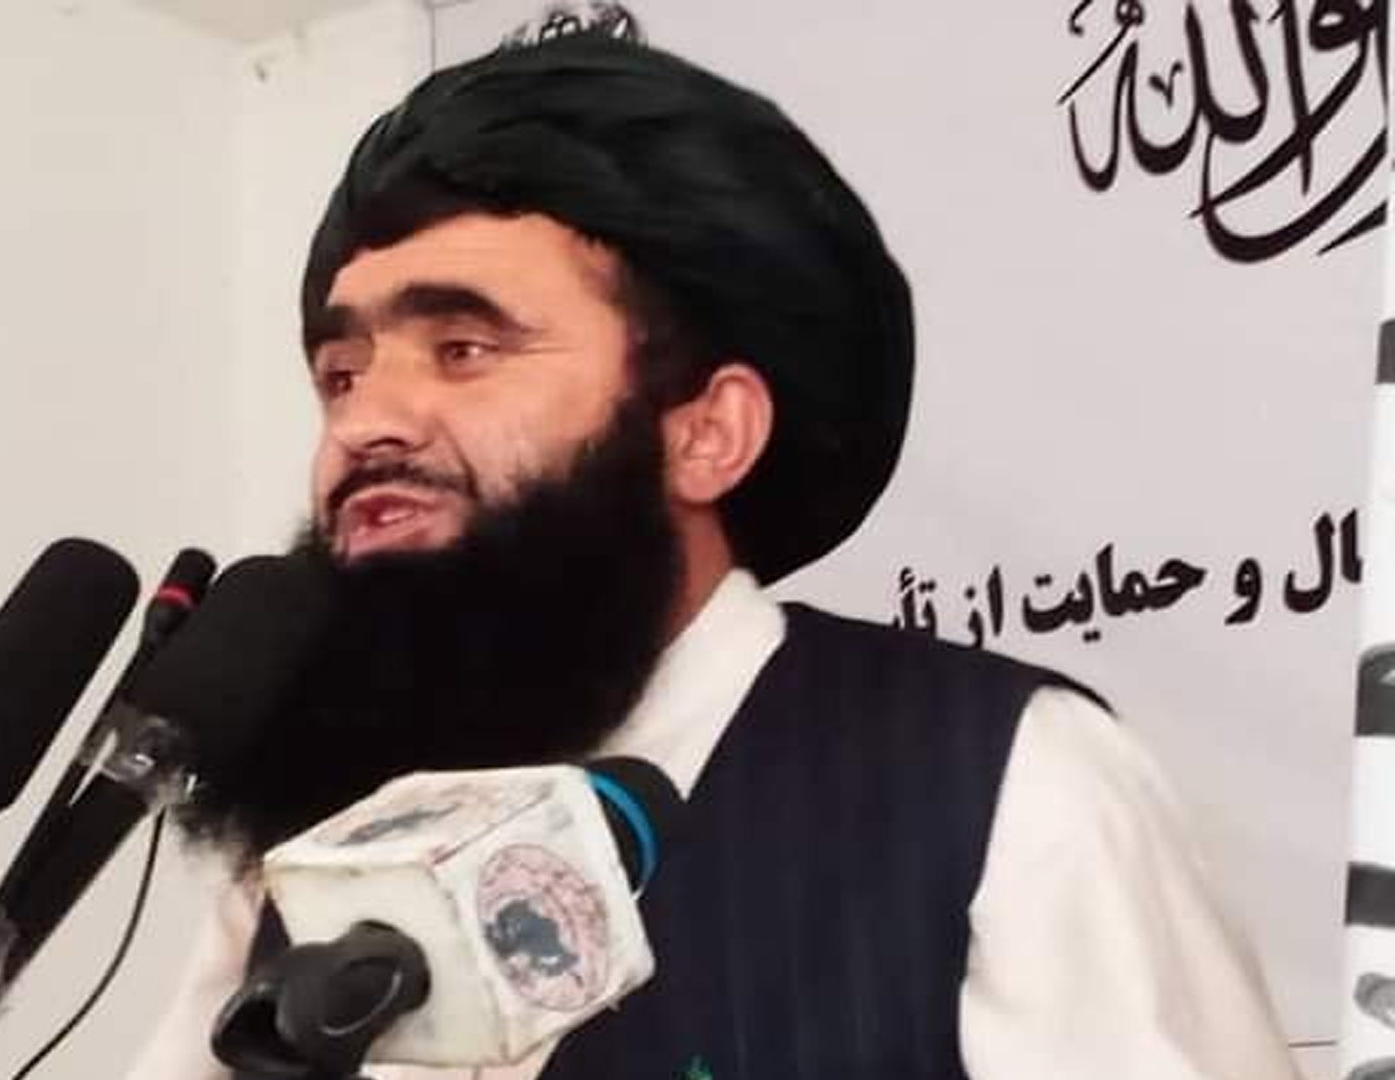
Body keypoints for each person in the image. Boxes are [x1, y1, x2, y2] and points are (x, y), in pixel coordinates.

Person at [124, 23, 1301, 1080]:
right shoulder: (307, 870)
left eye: (464, 350)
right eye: (341, 375)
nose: (365, 422)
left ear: (706, 434)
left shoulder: (999, 780)